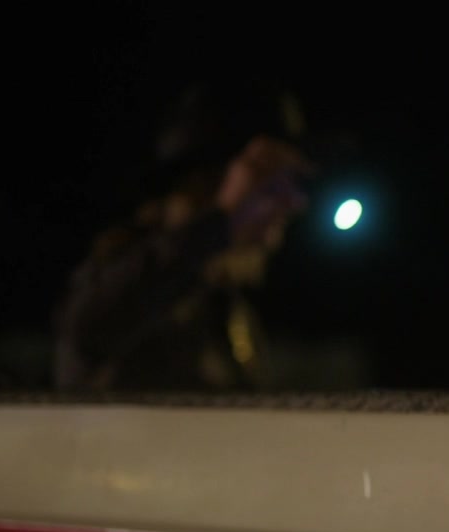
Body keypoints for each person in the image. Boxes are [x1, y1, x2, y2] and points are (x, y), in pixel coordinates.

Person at [53, 80, 313, 391]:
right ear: (209, 183)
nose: (293, 202)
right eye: (272, 182)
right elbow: (89, 327)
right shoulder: (130, 271)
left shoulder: (224, 302)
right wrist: (221, 219)